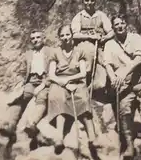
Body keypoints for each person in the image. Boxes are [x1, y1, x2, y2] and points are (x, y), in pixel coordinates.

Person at [103, 14, 141, 159]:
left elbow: (138, 59)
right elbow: (108, 64)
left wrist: (123, 73)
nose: (120, 26)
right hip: (124, 86)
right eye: (116, 25)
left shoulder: (135, 38)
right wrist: (113, 77)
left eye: (122, 23)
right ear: (113, 28)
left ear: (126, 25)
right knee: (124, 109)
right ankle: (129, 146)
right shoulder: (109, 44)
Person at [42, 24, 100, 154]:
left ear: (72, 35)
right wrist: (63, 82)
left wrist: (69, 80)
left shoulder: (80, 51)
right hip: (59, 82)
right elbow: (51, 74)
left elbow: (83, 73)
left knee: (83, 99)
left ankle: (92, 138)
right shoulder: (55, 52)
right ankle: (59, 138)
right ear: (59, 38)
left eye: (67, 34)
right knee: (57, 97)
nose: (65, 38)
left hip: (76, 81)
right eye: (62, 35)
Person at [0, 30, 51, 140]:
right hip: (31, 81)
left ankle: (32, 124)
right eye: (33, 38)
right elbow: (23, 70)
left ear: (43, 39)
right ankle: (10, 127)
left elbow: (54, 71)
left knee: (41, 97)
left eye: (38, 37)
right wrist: (20, 83)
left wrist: (43, 85)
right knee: (20, 97)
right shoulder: (28, 53)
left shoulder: (51, 52)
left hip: (45, 81)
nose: (35, 40)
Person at [71, 0, 114, 91]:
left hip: (99, 45)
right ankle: (83, 87)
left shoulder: (101, 15)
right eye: (86, 0)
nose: (89, 3)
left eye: (92, 0)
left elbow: (111, 32)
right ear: (83, 2)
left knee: (107, 63)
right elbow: (75, 35)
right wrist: (90, 37)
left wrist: (105, 38)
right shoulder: (79, 16)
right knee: (87, 66)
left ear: (95, 2)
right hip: (83, 45)